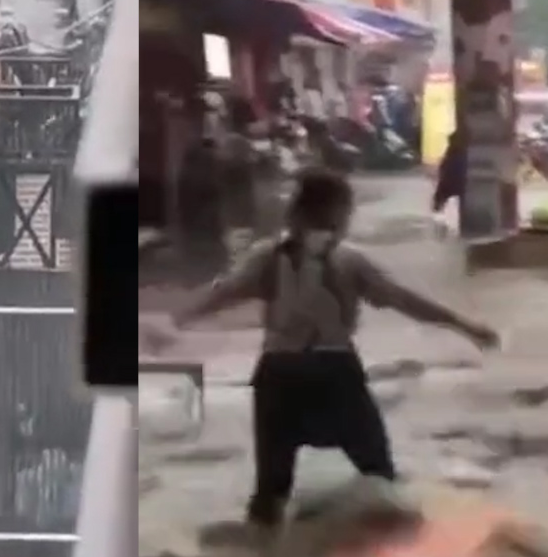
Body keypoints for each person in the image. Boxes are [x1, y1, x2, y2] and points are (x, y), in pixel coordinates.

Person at [150, 169, 501, 529]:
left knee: (270, 495)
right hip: (335, 375)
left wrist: (175, 320)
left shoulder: (269, 257)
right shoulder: (348, 260)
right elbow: (404, 300)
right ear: (339, 214)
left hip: (277, 377)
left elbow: (221, 293)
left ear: (296, 213)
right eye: (345, 213)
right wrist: (463, 325)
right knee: (380, 479)